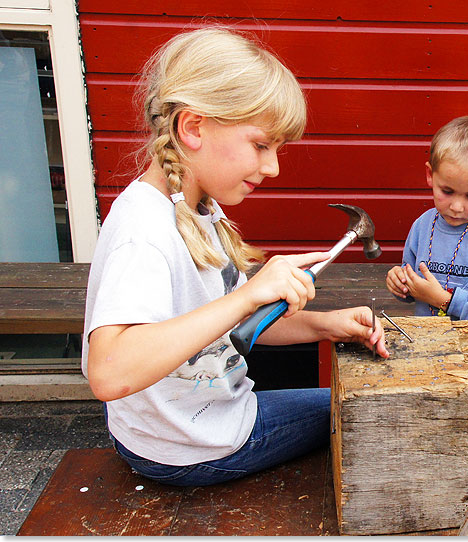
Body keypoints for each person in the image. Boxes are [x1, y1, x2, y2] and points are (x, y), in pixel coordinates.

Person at [81, 27, 389, 487]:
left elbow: (226, 323)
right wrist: (247, 297)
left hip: (184, 428)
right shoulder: (143, 230)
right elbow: (109, 374)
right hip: (191, 448)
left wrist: (326, 325)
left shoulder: (194, 206)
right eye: (261, 145)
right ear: (193, 127)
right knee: (369, 410)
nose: (273, 167)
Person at [385, 116, 468, 319]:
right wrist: (401, 284)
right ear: (430, 175)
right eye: (447, 191)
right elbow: (414, 287)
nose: (457, 207)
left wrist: (444, 300)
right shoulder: (422, 226)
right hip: (427, 343)